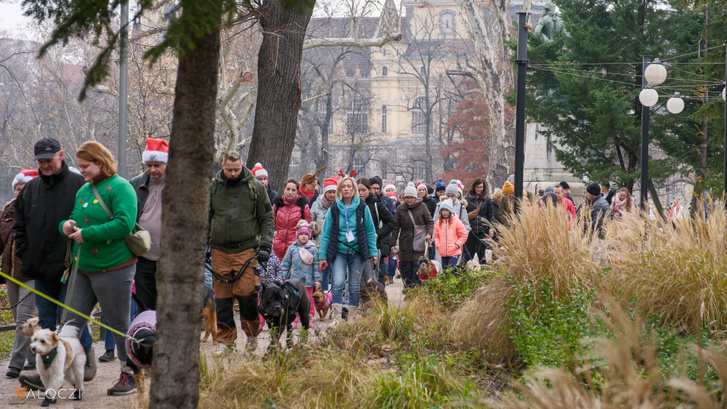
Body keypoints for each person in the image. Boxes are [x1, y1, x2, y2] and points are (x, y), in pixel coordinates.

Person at [13, 138, 96, 390]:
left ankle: (85, 358)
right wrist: (27, 256)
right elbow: (20, 226)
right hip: (39, 268)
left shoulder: (79, 184)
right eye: (40, 161)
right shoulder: (30, 189)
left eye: (49, 159)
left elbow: (90, 220)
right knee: (47, 322)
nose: (45, 165)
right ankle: (46, 373)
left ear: (61, 155)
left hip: (71, 268)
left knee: (70, 320)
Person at [58, 141, 138, 395]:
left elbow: (125, 224)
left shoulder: (121, 188)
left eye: (85, 166)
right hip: (82, 267)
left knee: (117, 323)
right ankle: (55, 370)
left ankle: (130, 373)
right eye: (80, 166)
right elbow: (73, 217)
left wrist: (88, 233)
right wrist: (66, 226)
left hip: (113, 266)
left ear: (100, 163)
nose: (81, 170)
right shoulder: (83, 190)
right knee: (70, 319)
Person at [208, 150, 274, 352]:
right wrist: (202, 246)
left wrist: (265, 245)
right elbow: (205, 217)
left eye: (237, 169)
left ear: (242, 165)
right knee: (222, 300)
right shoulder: (213, 187)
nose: (234, 173)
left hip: (246, 249)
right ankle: (226, 341)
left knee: (247, 296)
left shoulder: (255, 187)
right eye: (229, 169)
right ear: (222, 166)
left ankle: (252, 334)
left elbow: (267, 218)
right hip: (219, 250)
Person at [318, 176, 377, 322]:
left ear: (353, 189)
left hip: (357, 251)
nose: (346, 189)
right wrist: (322, 256)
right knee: (337, 283)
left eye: (349, 186)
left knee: (354, 286)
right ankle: (337, 318)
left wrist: (373, 252)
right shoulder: (334, 209)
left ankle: (352, 317)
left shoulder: (362, 207)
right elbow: (325, 233)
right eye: (343, 186)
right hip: (339, 251)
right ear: (340, 189)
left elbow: (370, 231)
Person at [2, 170, 38, 378]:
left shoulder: (38, 212)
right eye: (17, 189)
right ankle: (34, 357)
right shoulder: (7, 213)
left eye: (24, 189)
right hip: (10, 275)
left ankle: (15, 364)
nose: (19, 193)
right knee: (20, 321)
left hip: (31, 274)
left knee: (24, 318)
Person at [128, 138, 167, 312]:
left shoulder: (181, 185)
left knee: (168, 304)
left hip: (170, 257)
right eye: (149, 165)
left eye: (157, 165)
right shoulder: (134, 184)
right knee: (145, 304)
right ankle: (147, 336)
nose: (152, 169)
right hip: (142, 256)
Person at [390, 183, 433, 290]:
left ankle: (416, 294)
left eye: (411, 198)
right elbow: (396, 227)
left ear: (415, 197)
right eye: (407, 198)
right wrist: (392, 244)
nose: (409, 200)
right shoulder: (400, 209)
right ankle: (408, 290)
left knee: (417, 271)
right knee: (405, 270)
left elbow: (430, 222)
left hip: (419, 244)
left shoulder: (422, 207)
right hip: (405, 245)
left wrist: (429, 234)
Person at [358, 178, 396, 286]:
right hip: (354, 246)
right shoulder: (352, 204)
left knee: (370, 280)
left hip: (372, 246)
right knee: (356, 280)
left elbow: (392, 222)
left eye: (363, 190)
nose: (361, 193)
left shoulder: (376, 204)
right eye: (358, 190)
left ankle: (372, 302)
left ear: (368, 190)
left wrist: (377, 234)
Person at [280, 221, 320, 320]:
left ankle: (308, 317)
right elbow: (285, 264)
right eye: (301, 234)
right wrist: (282, 277)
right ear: (297, 235)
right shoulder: (292, 248)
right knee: (294, 298)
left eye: (306, 234)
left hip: (308, 281)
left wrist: (317, 279)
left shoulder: (313, 249)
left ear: (309, 235)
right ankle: (294, 317)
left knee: (308, 299)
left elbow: (316, 265)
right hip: (294, 280)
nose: (303, 236)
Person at [272, 179, 313, 260]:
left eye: (293, 190)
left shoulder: (303, 207)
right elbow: (270, 225)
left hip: (295, 250)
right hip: (276, 249)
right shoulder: (277, 206)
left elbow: (310, 229)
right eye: (288, 189)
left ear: (297, 191)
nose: (290, 192)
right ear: (284, 190)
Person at [310, 176, 337, 291]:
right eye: (329, 192)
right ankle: (324, 293)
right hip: (321, 242)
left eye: (334, 192)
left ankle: (336, 295)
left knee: (336, 270)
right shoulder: (316, 204)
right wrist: (320, 225)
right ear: (325, 192)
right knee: (324, 270)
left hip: (336, 242)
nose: (331, 195)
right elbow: (311, 223)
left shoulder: (339, 205)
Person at [464, 179, 495, 263]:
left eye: (481, 187)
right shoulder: (467, 198)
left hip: (482, 229)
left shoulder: (487, 199)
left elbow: (490, 214)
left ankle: (483, 271)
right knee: (469, 253)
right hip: (471, 229)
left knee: (482, 253)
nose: (479, 189)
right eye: (477, 187)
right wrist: (466, 225)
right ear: (474, 187)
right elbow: (464, 214)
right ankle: (468, 270)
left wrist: (491, 228)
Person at [433, 199, 468, 269]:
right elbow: (436, 236)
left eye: (446, 210)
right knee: (446, 272)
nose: (444, 212)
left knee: (451, 270)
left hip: (454, 252)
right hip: (443, 252)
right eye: (442, 210)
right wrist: (438, 246)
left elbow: (463, 235)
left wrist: (457, 245)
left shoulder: (457, 222)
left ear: (450, 211)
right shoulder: (438, 223)